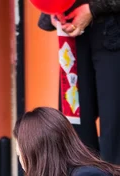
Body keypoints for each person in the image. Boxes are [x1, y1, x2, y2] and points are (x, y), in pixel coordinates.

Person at [38, 1, 120, 164]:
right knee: (75, 130)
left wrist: (92, 9)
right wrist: (54, 11)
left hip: (113, 32)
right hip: (73, 37)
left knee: (115, 128)